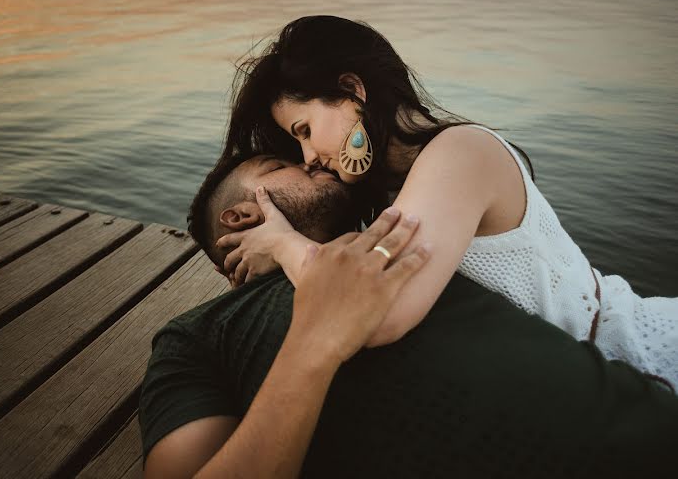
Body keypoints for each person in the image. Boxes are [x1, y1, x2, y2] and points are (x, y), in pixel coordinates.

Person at [140, 153, 678, 478]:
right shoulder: (200, 336)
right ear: (241, 218)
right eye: (281, 166)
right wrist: (314, 344)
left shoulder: (414, 247)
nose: (312, 160)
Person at [214, 14, 677, 389]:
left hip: (638, 359)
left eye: (305, 131)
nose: (309, 156)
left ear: (352, 90)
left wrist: (280, 243)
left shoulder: (462, 154)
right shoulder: (391, 189)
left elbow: (378, 315)